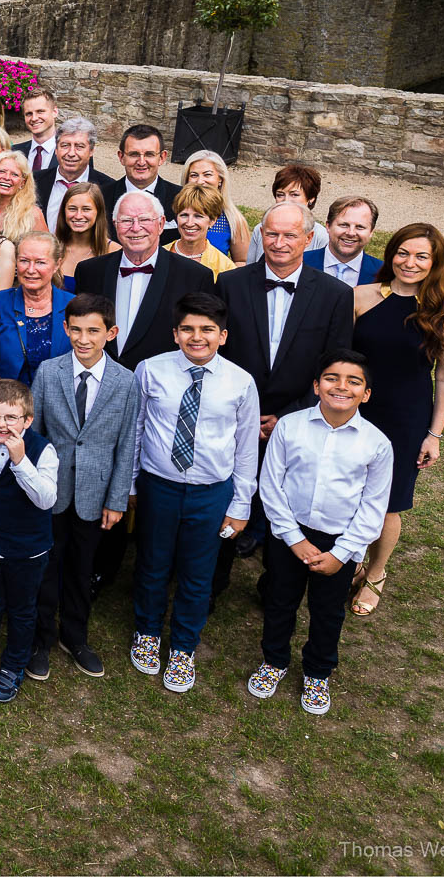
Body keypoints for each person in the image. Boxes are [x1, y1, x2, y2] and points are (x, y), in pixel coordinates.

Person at [211, 202, 354, 593]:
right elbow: (218, 354)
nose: (279, 242)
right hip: (237, 415)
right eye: (271, 233)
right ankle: (214, 581)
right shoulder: (231, 284)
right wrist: (244, 411)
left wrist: (289, 415)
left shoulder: (336, 295)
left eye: (290, 235)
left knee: (286, 506)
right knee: (229, 497)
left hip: (299, 418)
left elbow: (334, 366)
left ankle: (275, 585)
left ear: (308, 239)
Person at [247, 350, 393, 716]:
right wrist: (294, 540)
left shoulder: (376, 444)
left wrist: (342, 554)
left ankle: (317, 671)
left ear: (367, 394)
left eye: (353, 381)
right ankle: (274, 661)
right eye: (331, 378)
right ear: (316, 386)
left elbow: (373, 508)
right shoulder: (290, 427)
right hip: (288, 534)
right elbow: (271, 486)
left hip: (339, 541)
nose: (341, 386)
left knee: (328, 611)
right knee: (280, 600)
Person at [128, 292, 259, 693]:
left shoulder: (240, 382)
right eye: (187, 329)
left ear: (222, 335)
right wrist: (131, 484)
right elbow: (135, 430)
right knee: (152, 562)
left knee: (197, 573)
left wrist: (240, 504)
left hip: (210, 491)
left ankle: (184, 647)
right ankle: (147, 632)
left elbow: (246, 447)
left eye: (206, 330)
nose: (196, 337)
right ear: (175, 333)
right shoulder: (150, 371)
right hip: (158, 484)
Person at [348, 223, 444, 617]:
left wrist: (434, 434)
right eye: (402, 253)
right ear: (391, 254)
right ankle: (349, 559)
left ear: (435, 263)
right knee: (346, 489)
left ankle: (376, 572)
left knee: (388, 503)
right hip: (355, 409)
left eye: (421, 256)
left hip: (405, 418)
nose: (409, 262)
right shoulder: (362, 297)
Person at [26, 293, 141, 681]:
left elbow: (127, 444)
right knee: (46, 565)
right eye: (76, 329)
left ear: (111, 332)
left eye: (93, 330)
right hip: (52, 491)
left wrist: (117, 498)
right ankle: (40, 638)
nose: (84, 338)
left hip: (95, 494)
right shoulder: (48, 371)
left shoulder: (126, 382)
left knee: (81, 567)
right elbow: (36, 435)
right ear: (65, 329)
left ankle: (74, 636)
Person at [0, 379, 60, 704]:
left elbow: (46, 500)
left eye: (10, 418)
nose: (1, 425)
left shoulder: (43, 450)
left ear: (27, 420)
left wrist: (20, 461)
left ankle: (14, 665)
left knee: (21, 609)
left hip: (28, 549)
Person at [72, 191, 213, 372]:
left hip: (163, 385)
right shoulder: (90, 272)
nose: (136, 227)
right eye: (126, 220)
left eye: (145, 220)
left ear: (161, 224)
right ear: (115, 225)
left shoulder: (195, 277)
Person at [0, 232, 72, 395]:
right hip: (5, 407)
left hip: (56, 409)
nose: (31, 270)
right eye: (24, 261)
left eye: (40, 262)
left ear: (57, 265)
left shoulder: (73, 306)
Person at [35, 117, 109, 232]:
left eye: (79, 147)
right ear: (56, 149)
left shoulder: (107, 188)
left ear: (91, 151)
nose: (71, 153)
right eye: (65, 145)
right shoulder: (35, 181)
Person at [246, 163, 329, 262]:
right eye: (280, 195)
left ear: (311, 198)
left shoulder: (321, 236)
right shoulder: (260, 229)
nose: (286, 201)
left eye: (294, 195)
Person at [181, 150, 250, 262]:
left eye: (207, 174)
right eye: (194, 175)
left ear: (220, 179)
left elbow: (242, 261)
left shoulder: (233, 219)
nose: (200, 181)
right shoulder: (175, 212)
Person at [53, 181, 116, 291]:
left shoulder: (115, 252)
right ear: (63, 211)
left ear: (98, 212)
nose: (78, 216)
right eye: (72, 208)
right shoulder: (51, 248)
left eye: (86, 209)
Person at [306, 196, 381, 286]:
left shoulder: (383, 274)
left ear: (371, 231)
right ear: (328, 226)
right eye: (344, 225)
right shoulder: (300, 264)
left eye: (360, 227)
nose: (351, 233)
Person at [165, 183, 237, 277]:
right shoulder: (158, 255)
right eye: (184, 215)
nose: (189, 223)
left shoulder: (225, 268)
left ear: (212, 220)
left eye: (198, 216)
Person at [0, 151, 49, 242]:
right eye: (2, 171)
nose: (7, 177)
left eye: (14, 174)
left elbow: (46, 248)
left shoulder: (32, 214)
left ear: (22, 183)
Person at [14, 89, 58, 172]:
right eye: (29, 114)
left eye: (40, 111)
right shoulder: (14, 152)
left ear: (55, 112)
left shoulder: (70, 153)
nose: (34, 118)